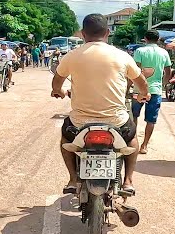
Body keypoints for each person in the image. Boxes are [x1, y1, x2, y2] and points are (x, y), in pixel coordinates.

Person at [51, 14, 149, 195]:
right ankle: (127, 181)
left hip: (80, 122)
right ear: (108, 32)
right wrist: (144, 94)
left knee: (66, 138)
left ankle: (73, 179)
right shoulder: (122, 55)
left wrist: (58, 91)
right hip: (116, 121)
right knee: (132, 137)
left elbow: (57, 81)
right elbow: (141, 81)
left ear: (82, 34)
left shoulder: (72, 55)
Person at [131, 31, 172, 155]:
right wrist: (164, 84)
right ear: (158, 39)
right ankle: (144, 145)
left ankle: (134, 141)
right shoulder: (164, 52)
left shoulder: (140, 51)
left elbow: (135, 70)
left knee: (134, 116)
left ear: (145, 39)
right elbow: (168, 70)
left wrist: (129, 86)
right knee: (151, 120)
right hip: (155, 90)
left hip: (139, 90)